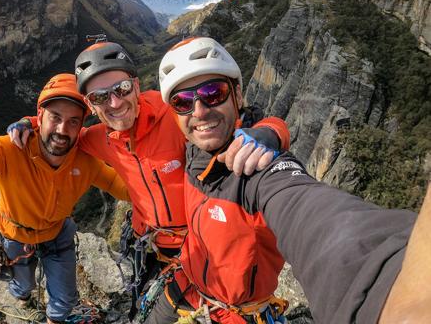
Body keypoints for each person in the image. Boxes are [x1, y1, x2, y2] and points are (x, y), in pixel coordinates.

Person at [144, 36, 422, 324]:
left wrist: (383, 280)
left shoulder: (259, 169)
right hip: (183, 286)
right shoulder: (192, 148)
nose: (199, 111)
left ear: (237, 95)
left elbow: (307, 209)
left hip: (235, 315)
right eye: (183, 102)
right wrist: (275, 128)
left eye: (213, 92)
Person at [7, 39, 290, 318]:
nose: (114, 103)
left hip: (196, 244)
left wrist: (272, 132)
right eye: (100, 97)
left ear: (136, 86)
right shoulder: (99, 137)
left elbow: (238, 122)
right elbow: (62, 131)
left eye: (121, 89)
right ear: (91, 106)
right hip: (149, 246)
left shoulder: (175, 114)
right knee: (142, 307)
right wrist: (30, 123)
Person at [0, 74, 129, 324]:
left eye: (72, 122)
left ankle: (54, 318)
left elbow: (116, 184)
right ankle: (23, 298)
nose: (62, 130)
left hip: (57, 233)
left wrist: (159, 187)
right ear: (40, 116)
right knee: (21, 282)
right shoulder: (10, 150)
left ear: (81, 126)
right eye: (55, 117)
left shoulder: (85, 159)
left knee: (65, 298)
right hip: (16, 234)